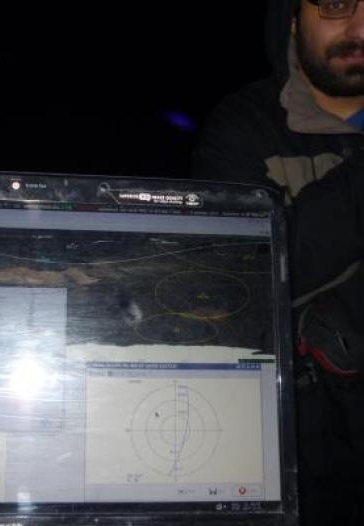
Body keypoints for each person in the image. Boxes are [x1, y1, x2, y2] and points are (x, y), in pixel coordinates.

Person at [192, 0, 364, 524]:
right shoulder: (243, 129)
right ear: (291, 17)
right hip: (310, 475)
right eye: (337, 4)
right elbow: (237, 284)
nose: (361, 28)